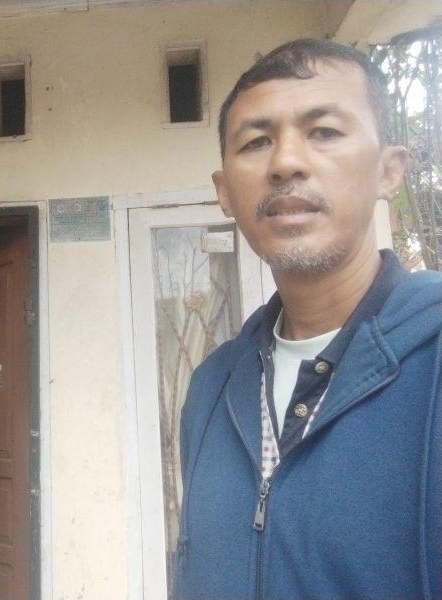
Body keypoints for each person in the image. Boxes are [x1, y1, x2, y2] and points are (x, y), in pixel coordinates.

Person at [175, 38, 441, 599]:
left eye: (323, 131)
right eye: (256, 141)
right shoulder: (211, 389)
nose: (286, 162)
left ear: (388, 170)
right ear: (225, 192)